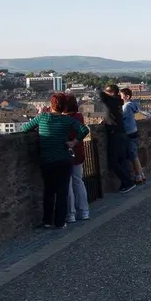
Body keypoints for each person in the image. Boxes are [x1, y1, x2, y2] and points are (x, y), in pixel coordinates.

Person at [20, 96, 90, 229]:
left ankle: (47, 220)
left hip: (47, 160)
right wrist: (73, 142)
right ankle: (60, 221)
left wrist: (39, 127)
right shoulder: (67, 119)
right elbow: (84, 130)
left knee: (49, 191)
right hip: (63, 159)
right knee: (62, 192)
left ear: (51, 105)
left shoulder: (42, 118)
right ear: (64, 107)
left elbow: (25, 128)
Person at [96, 85, 135, 193]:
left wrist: (99, 88)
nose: (105, 92)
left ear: (112, 93)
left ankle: (128, 182)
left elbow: (99, 93)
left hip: (115, 134)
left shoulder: (112, 100)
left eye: (107, 91)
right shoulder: (118, 101)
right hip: (121, 132)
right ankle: (126, 183)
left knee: (113, 161)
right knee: (122, 160)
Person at [61, 94, 90, 223]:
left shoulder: (63, 119)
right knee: (78, 181)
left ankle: (70, 213)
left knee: (68, 183)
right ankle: (84, 211)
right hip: (78, 152)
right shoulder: (79, 116)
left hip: (66, 152)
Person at [120, 88, 145, 185]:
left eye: (121, 96)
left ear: (127, 97)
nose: (120, 98)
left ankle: (139, 175)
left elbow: (120, 118)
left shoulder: (126, 107)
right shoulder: (132, 105)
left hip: (129, 133)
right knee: (133, 154)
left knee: (133, 155)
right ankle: (141, 174)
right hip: (133, 132)